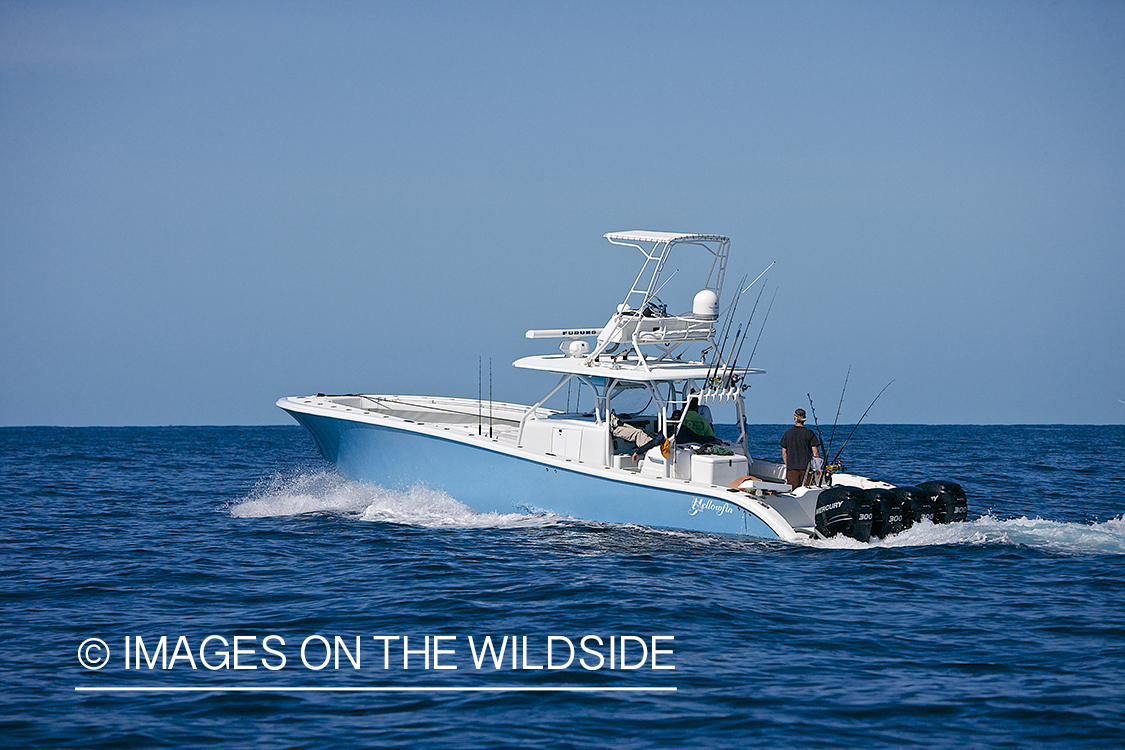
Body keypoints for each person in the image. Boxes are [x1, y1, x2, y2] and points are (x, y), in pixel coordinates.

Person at [779, 408, 821, 490]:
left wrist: (788, 465)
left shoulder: (788, 433)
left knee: (793, 493)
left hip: (792, 469)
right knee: (806, 491)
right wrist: (818, 467)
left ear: (794, 418)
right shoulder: (809, 433)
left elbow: (784, 452)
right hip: (806, 469)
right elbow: (815, 452)